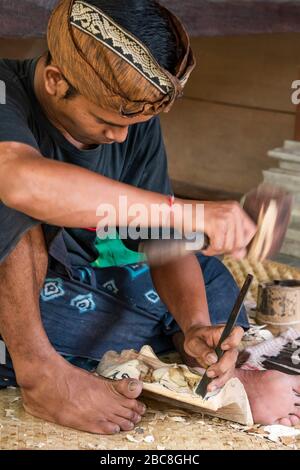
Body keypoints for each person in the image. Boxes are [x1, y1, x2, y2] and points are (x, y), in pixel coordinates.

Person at [0, 0, 298, 434]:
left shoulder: (131, 116)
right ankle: (40, 372)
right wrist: (191, 213)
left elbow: (162, 242)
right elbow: (19, 182)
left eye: (131, 124)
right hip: (16, 283)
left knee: (210, 280)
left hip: (73, 280)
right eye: (107, 121)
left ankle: (186, 360)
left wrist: (194, 324)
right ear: (55, 81)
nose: (120, 136)